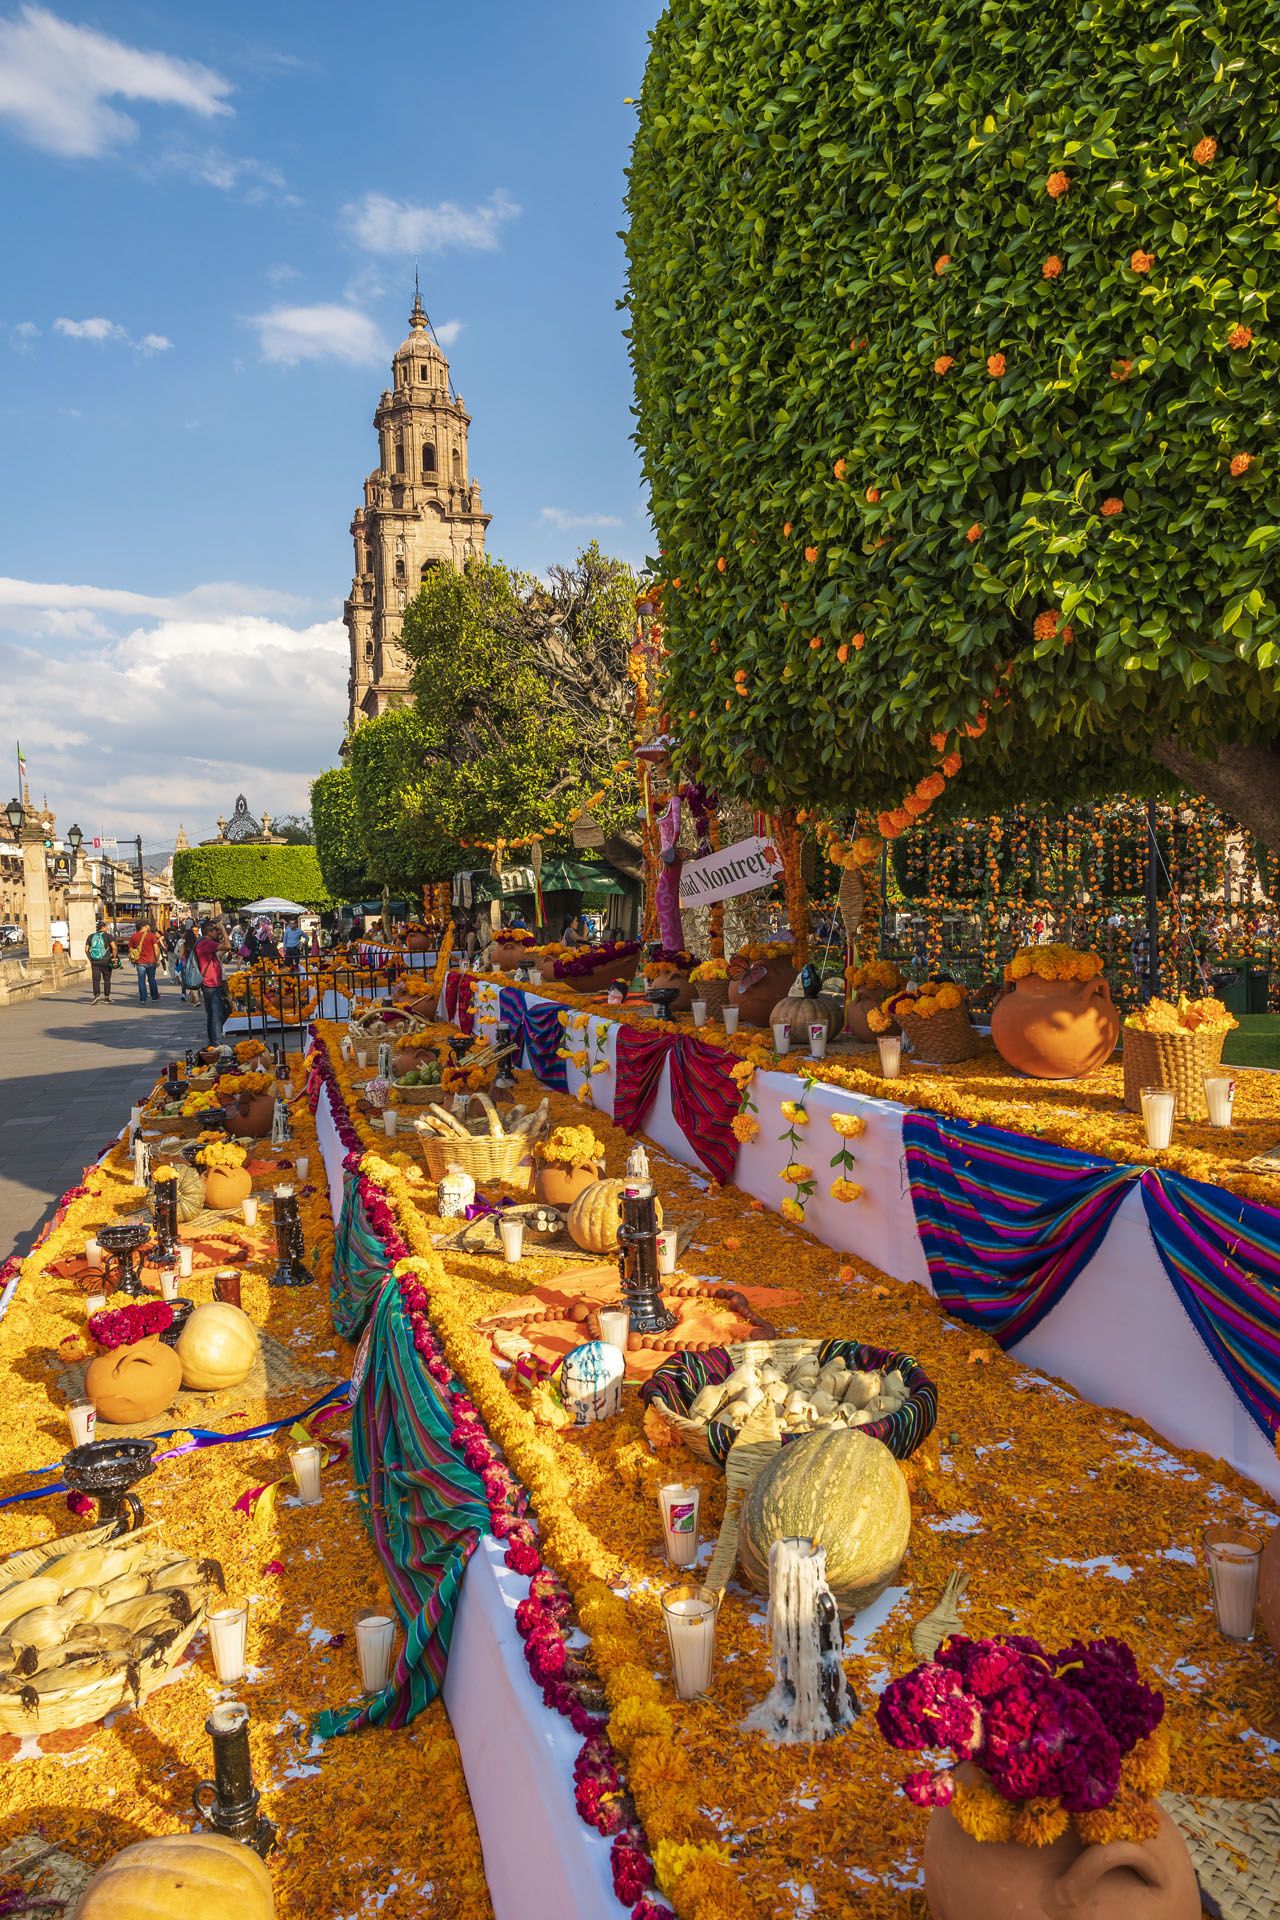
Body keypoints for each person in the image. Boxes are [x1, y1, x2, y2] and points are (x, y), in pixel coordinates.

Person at [194, 918, 230, 1047]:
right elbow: (228, 946)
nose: (217, 933)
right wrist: (223, 929)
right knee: (216, 1014)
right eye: (216, 931)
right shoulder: (207, 943)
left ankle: (213, 1040)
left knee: (213, 1014)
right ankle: (216, 1042)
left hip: (210, 982)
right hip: (211, 983)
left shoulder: (201, 942)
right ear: (210, 932)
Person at [127, 920, 162, 1004]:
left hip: (140, 962)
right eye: (148, 926)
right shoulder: (151, 936)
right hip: (151, 961)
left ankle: (143, 999)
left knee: (141, 980)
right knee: (151, 979)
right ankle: (154, 997)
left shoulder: (134, 936)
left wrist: (133, 958)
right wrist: (157, 959)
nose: (149, 927)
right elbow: (156, 949)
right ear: (145, 926)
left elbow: (130, 949)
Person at [85, 922, 115, 1003]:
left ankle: (97, 995)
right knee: (107, 979)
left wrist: (90, 959)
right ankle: (106, 997)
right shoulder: (108, 936)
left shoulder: (91, 936)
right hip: (106, 961)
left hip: (95, 961)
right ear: (104, 927)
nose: (107, 928)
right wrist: (114, 957)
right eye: (106, 927)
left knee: (96, 980)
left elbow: (86, 950)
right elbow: (114, 947)